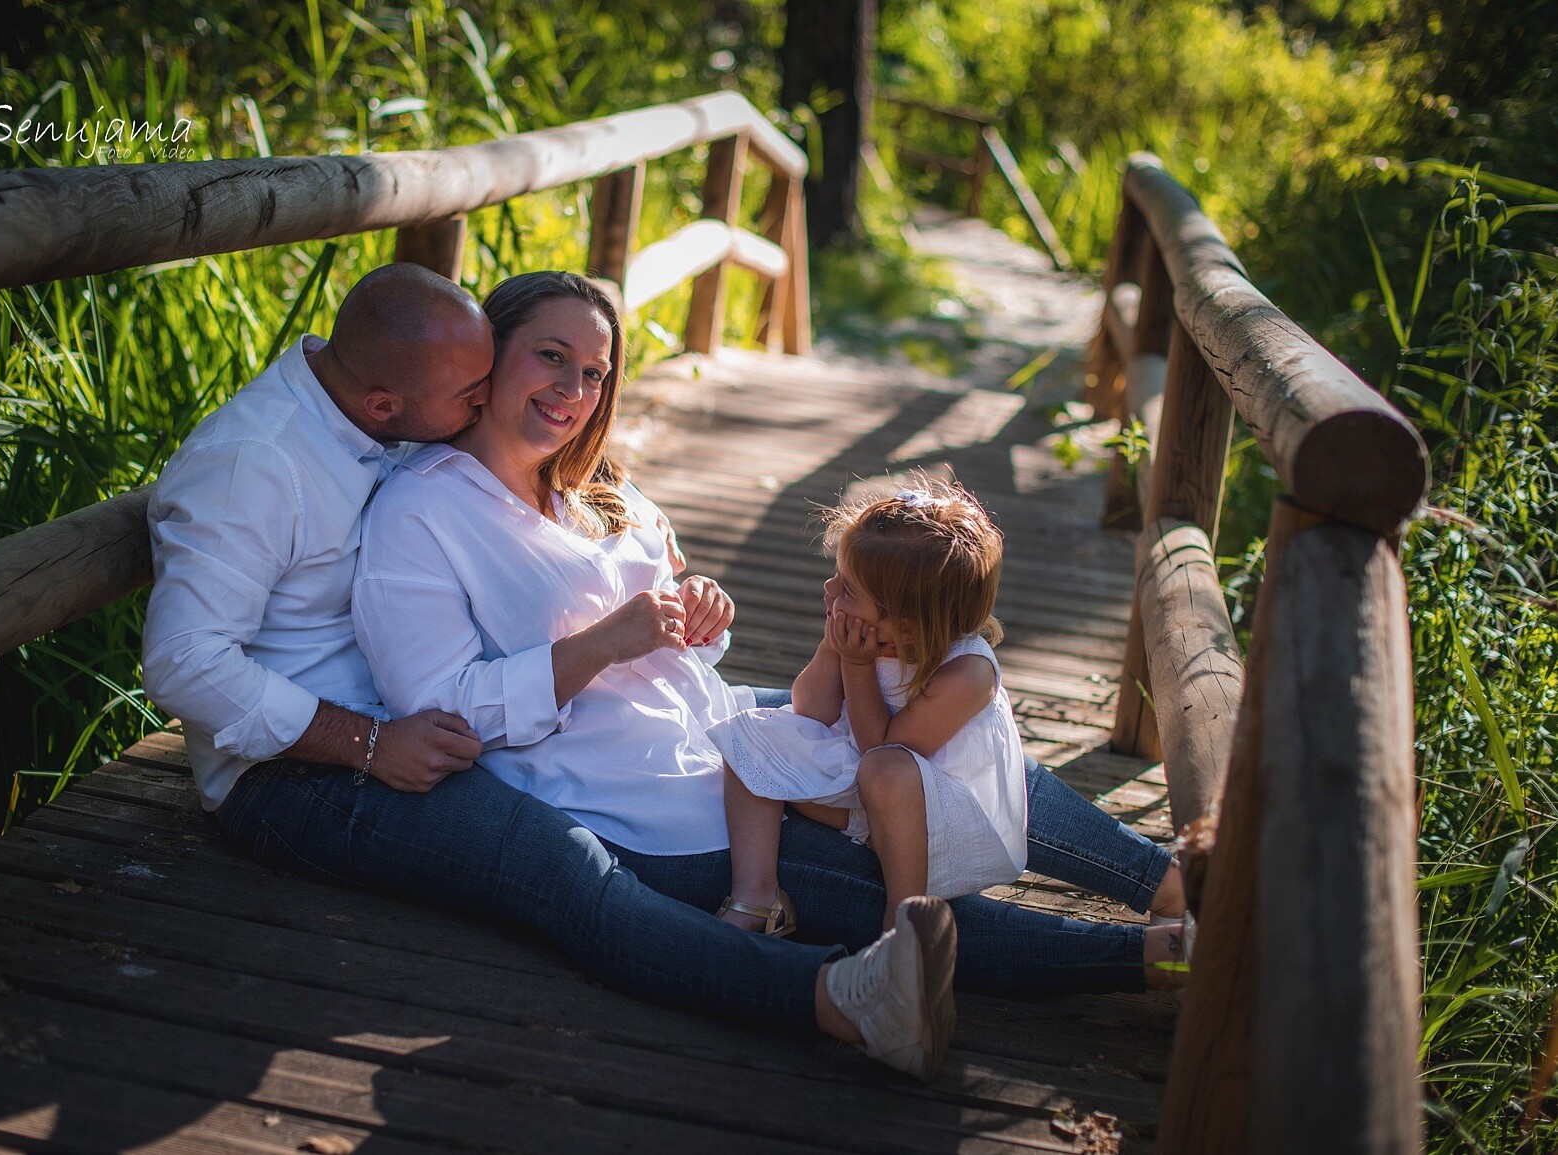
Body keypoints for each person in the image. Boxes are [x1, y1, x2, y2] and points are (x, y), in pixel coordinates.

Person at [142, 262, 958, 1086]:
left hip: (411, 724)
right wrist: (367, 741)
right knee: (556, 861)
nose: (488, 394)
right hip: (295, 769)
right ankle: (839, 1001)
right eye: (473, 389)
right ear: (389, 408)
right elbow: (183, 665)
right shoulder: (256, 462)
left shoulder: (378, 411)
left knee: (827, 719)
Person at [352, 270, 1188, 1026]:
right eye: (551, 355)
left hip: (715, 730)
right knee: (883, 891)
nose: (574, 388)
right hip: (632, 795)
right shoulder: (420, 512)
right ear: (490, 352)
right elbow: (439, 711)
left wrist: (698, 611)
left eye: (596, 371)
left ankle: (1171, 884)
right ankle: (1159, 956)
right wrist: (602, 644)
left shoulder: (599, 486)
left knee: (965, 749)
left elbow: (672, 631)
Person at [712, 476, 1028, 935]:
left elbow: (882, 750)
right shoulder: (868, 635)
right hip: (867, 793)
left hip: (935, 817)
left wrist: (857, 665)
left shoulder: (968, 672)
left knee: (887, 770)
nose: (829, 589)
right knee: (748, 738)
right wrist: (833, 648)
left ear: (908, 619)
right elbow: (810, 712)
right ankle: (757, 899)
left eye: (848, 589)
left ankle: (903, 925)